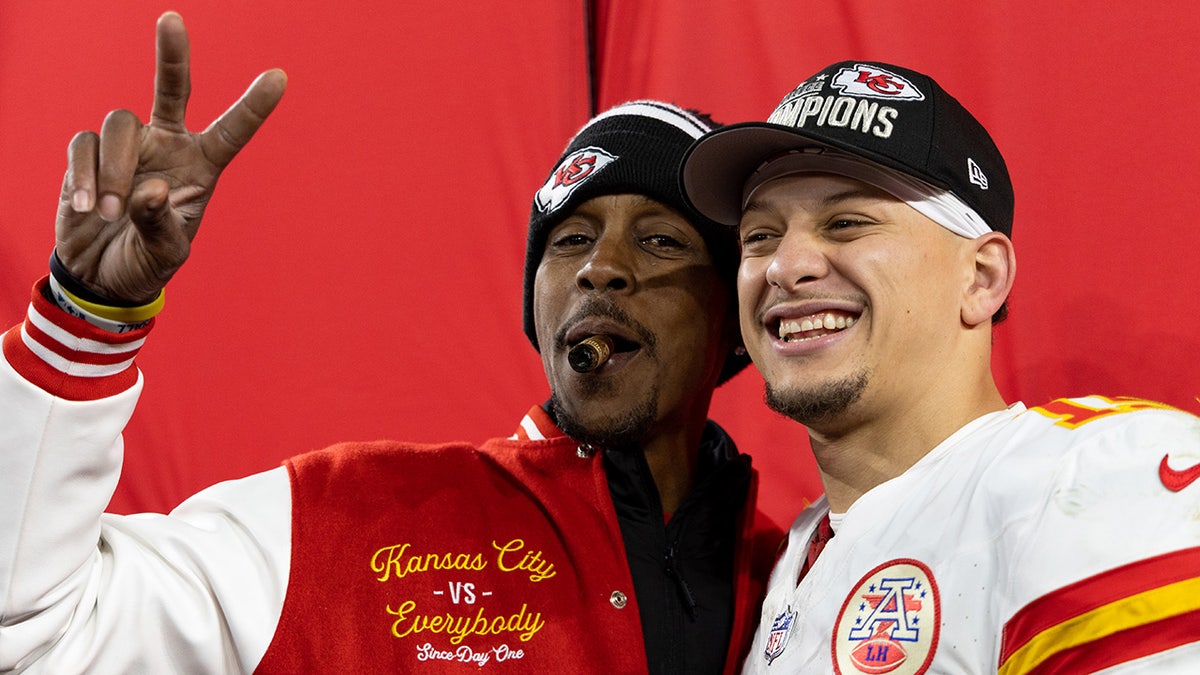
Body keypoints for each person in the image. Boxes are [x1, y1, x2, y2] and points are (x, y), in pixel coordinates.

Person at [0, 12, 781, 674]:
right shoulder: (345, 527)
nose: (600, 269)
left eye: (661, 242)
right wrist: (86, 314)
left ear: (734, 316)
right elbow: (35, 630)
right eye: (570, 239)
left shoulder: (812, 577)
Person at [680, 60, 1200, 673]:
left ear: (982, 278)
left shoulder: (1098, 481)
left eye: (846, 223)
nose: (785, 267)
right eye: (760, 236)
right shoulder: (784, 557)